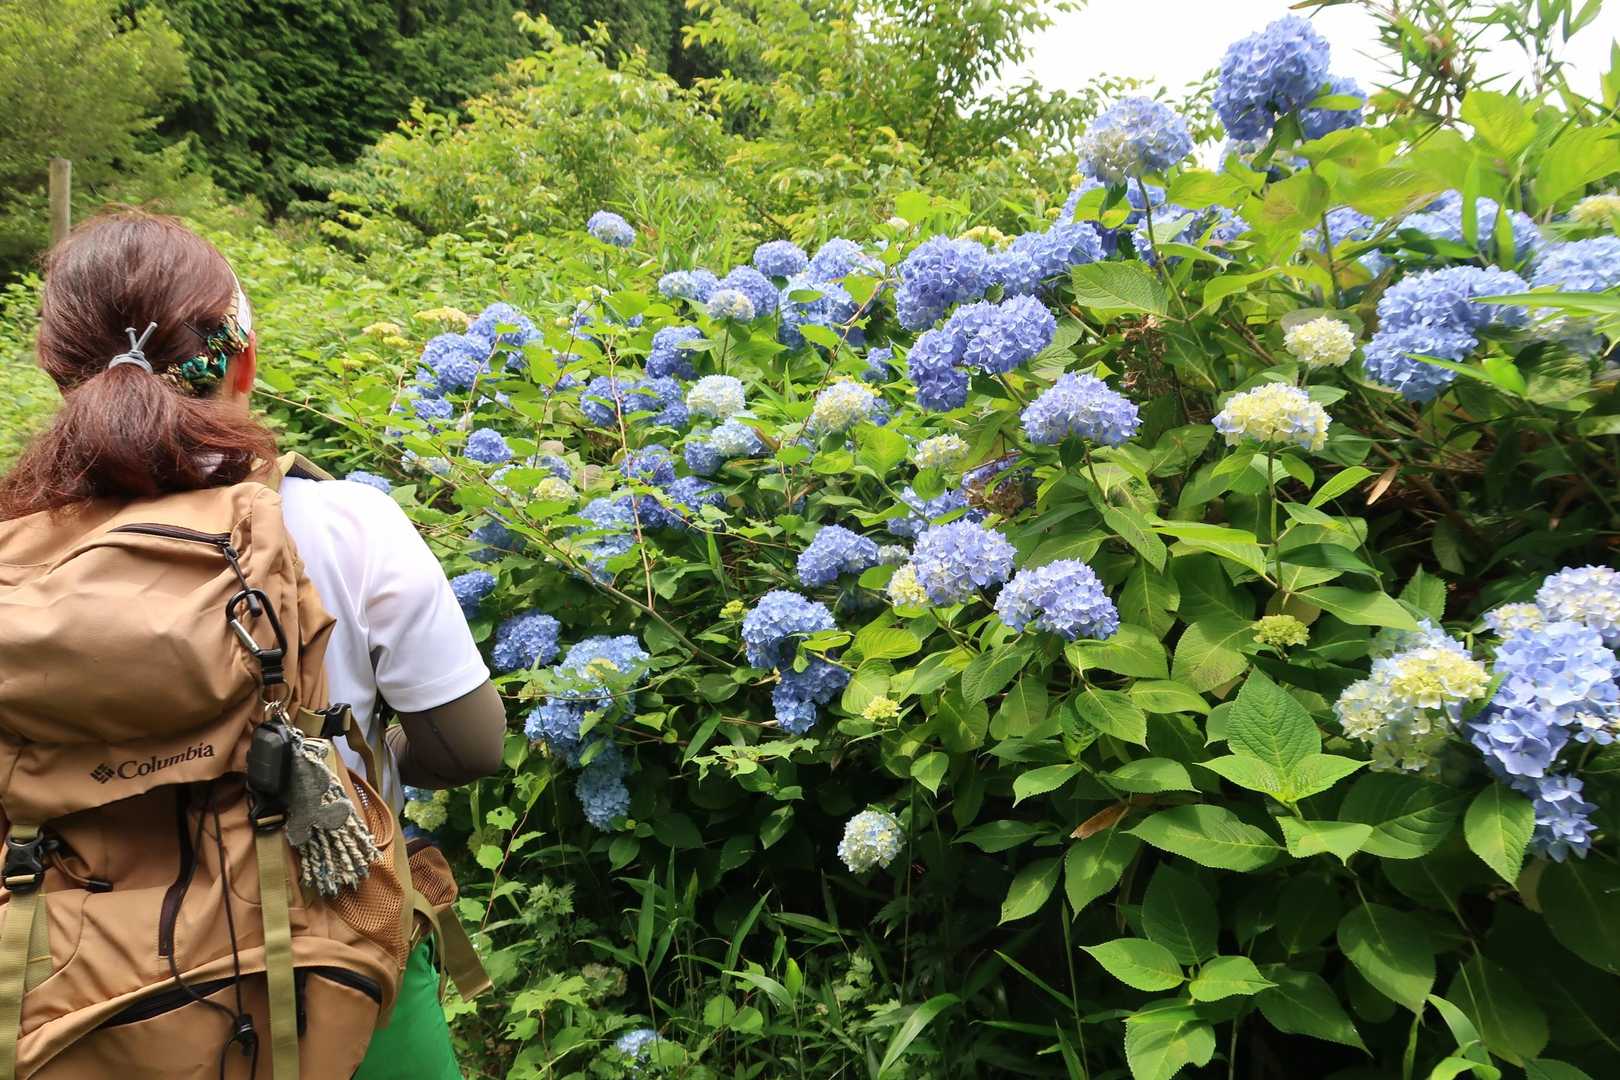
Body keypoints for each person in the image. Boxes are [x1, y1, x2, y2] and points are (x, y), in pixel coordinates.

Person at [0, 210, 505, 1078]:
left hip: (70, 1003)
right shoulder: (347, 523)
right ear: (244, 361)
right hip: (336, 979)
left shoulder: (15, 554)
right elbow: (471, 746)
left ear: (57, 374)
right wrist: (362, 756)